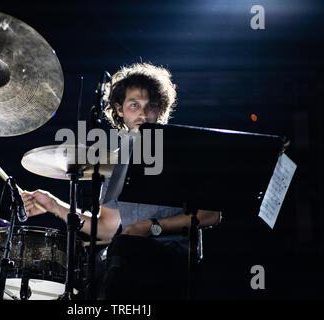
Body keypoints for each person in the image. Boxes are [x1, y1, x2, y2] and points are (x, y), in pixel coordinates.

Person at [22, 62, 221, 299]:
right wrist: (54, 205)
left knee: (118, 256)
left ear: (162, 110)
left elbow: (212, 214)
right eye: (134, 105)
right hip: (132, 259)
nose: (143, 114)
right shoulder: (118, 163)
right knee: (97, 267)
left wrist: (152, 226)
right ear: (120, 110)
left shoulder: (181, 151)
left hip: (174, 259)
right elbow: (106, 228)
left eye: (151, 106)